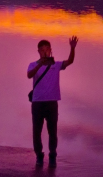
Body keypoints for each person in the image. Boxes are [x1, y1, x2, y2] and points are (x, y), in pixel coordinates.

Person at [27, 36, 77, 167]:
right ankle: (39, 155)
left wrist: (72, 48)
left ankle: (53, 154)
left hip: (52, 103)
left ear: (50, 50)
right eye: (42, 50)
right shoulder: (33, 64)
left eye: (47, 49)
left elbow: (70, 61)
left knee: (52, 131)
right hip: (37, 103)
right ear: (38, 51)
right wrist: (40, 64)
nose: (44, 52)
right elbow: (29, 75)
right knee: (36, 131)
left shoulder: (56, 65)